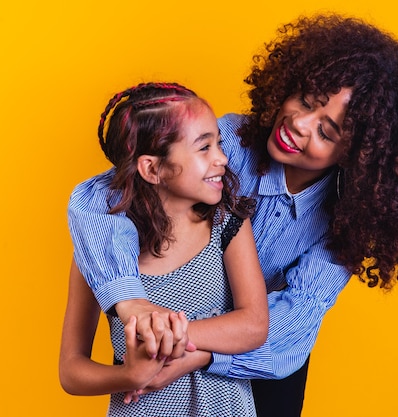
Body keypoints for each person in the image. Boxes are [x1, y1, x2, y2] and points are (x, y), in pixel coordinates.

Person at [67, 14, 398, 417]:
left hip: (257, 366)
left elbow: (292, 324)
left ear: (359, 155)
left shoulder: (345, 225)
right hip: (159, 350)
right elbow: (99, 198)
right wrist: (131, 305)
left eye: (327, 132)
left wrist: (188, 345)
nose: (299, 125)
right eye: (305, 101)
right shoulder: (223, 146)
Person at [59, 82, 269, 416]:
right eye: (204, 148)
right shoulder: (99, 253)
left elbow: (254, 325)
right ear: (152, 168)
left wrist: (170, 335)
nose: (222, 158)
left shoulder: (227, 224)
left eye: (218, 142)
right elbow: (71, 370)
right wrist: (128, 375)